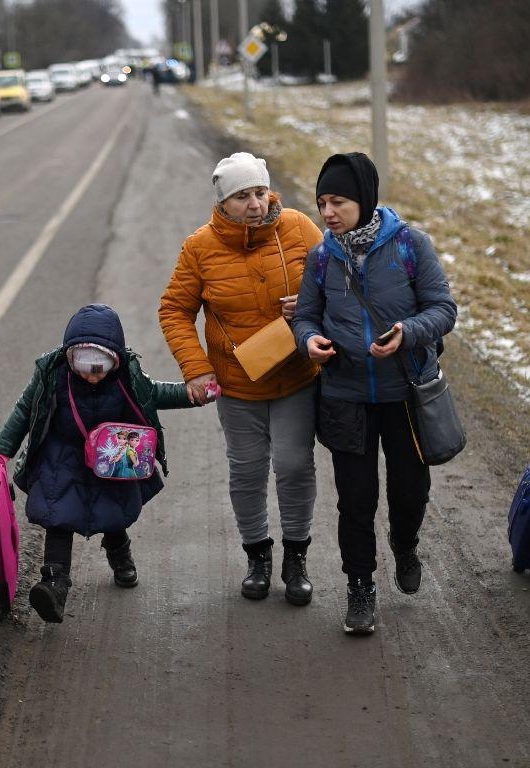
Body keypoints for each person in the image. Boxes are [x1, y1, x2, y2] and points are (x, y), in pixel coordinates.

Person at [292, 152, 457, 634]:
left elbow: (443, 309)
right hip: (344, 396)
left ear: (364, 200)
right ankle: (359, 587)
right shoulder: (322, 256)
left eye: (338, 201)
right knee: (355, 500)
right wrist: (310, 341)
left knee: (410, 491)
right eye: (322, 202)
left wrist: (408, 331)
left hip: (404, 394)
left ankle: (404, 543)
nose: (327, 212)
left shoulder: (410, 245)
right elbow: (305, 315)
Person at [159, 152, 323, 607]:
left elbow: (340, 281)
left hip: (295, 376)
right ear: (223, 202)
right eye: (241, 196)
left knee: (293, 464)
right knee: (248, 471)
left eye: (258, 192)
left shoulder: (299, 227)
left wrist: (310, 301)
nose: (254, 204)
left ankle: (296, 557)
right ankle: (258, 557)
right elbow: (174, 309)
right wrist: (197, 368)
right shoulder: (200, 247)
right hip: (238, 384)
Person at [0, 304, 203, 623]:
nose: (92, 376)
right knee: (57, 516)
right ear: (69, 356)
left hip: (111, 456)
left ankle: (121, 556)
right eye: (84, 367)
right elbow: (25, 410)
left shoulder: (126, 376)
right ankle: (54, 583)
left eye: (100, 368)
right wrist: (1, 451)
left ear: (115, 359)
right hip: (62, 457)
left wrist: (191, 394)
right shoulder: (53, 374)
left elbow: (155, 394)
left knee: (113, 512)